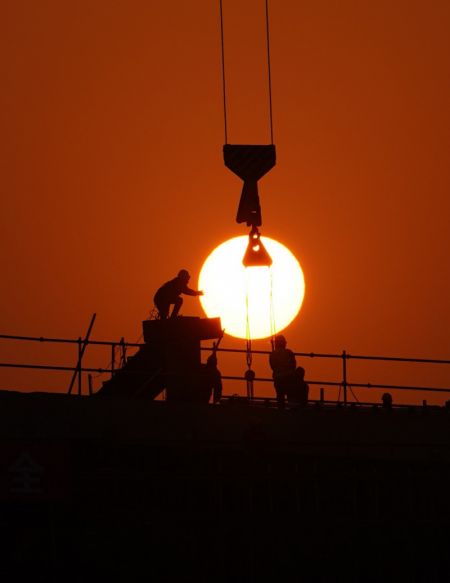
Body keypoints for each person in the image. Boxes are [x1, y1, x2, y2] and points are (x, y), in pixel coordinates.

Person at [269, 335, 297, 408]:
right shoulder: (289, 352)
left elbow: (272, 366)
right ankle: (292, 410)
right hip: (289, 378)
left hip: (278, 378)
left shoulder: (272, 354)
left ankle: (281, 411)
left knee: (280, 397)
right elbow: (294, 365)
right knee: (291, 396)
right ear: (284, 343)